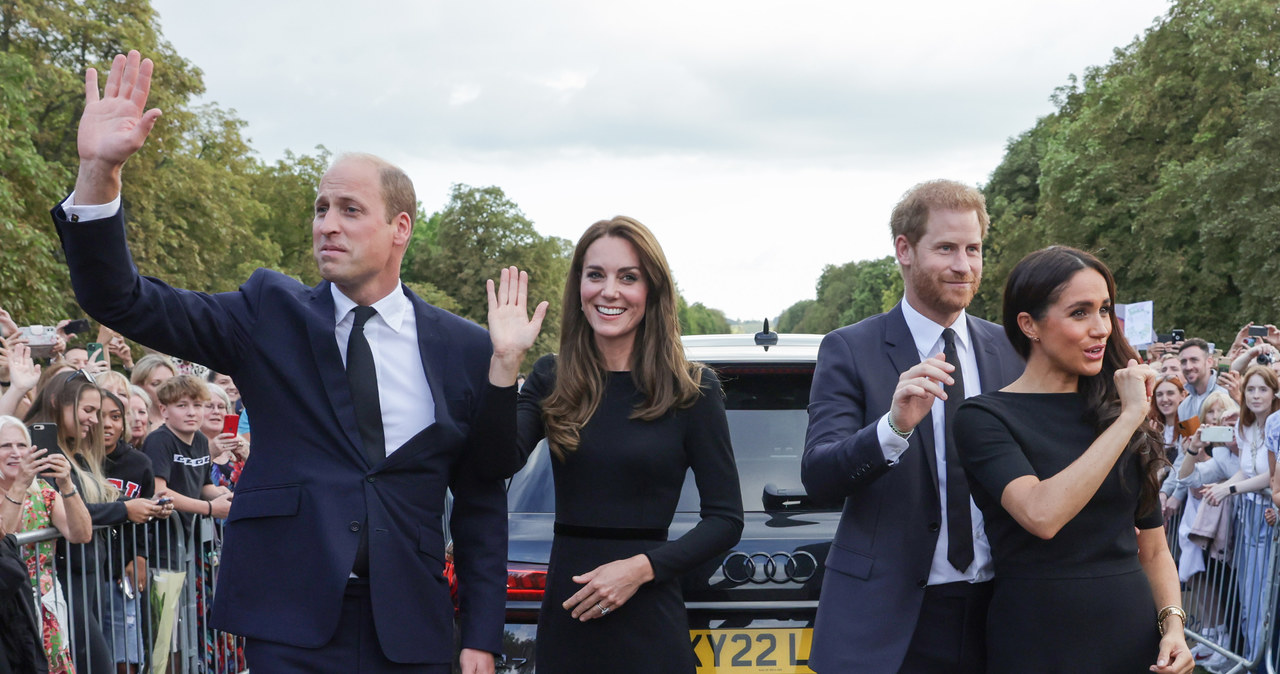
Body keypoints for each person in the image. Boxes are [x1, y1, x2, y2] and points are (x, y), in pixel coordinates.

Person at [56, 50, 532, 673]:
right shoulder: (268, 312)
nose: (327, 225)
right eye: (320, 208)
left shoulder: (465, 348)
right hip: (289, 621)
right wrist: (99, 173)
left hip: (413, 625)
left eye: (350, 211)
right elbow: (122, 299)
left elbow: (479, 501)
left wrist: (481, 635)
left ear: (401, 229)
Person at [802, 180, 1024, 672]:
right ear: (904, 250)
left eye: (973, 249)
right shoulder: (850, 349)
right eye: (946, 248)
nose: (964, 266)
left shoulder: (1010, 349)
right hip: (892, 625)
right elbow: (819, 476)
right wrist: (893, 428)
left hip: (1001, 616)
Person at [507, 216, 743, 673]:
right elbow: (496, 462)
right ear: (579, 286)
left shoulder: (693, 389)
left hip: (649, 621)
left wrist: (639, 569)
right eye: (595, 275)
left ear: (651, 290)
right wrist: (504, 362)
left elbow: (725, 520)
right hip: (567, 618)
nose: (609, 291)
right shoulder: (550, 377)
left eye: (628, 277)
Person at [953, 246, 1191, 674]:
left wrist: (1172, 626)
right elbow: (1042, 514)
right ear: (1029, 324)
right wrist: (1132, 416)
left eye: (1104, 310)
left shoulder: (1115, 411)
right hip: (1037, 639)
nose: (1101, 328)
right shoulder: (984, 417)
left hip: (1132, 637)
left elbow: (1153, 550)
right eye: (1080, 312)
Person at [0, 415, 93, 673]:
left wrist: (66, 483)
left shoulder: (42, 491)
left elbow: (81, 533)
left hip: (44, 607)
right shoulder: (23, 487)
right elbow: (2, 534)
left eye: (22, 445)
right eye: (5, 446)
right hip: (7, 611)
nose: (16, 453)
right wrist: (18, 485)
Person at [1202, 365, 1279, 662]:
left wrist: (1230, 491)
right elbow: (1245, 470)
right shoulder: (1245, 427)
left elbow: (1271, 477)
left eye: (1263, 389)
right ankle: (1249, 660)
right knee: (1247, 596)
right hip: (1247, 519)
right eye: (1250, 389)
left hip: (1268, 518)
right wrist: (1221, 487)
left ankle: (1261, 663)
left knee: (1263, 599)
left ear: (1274, 394)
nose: (1256, 395)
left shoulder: (1277, 426)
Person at [129, 354, 174, 432]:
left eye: (170, 383)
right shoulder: (134, 421)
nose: (165, 389)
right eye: (156, 384)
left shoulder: (183, 419)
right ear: (138, 386)